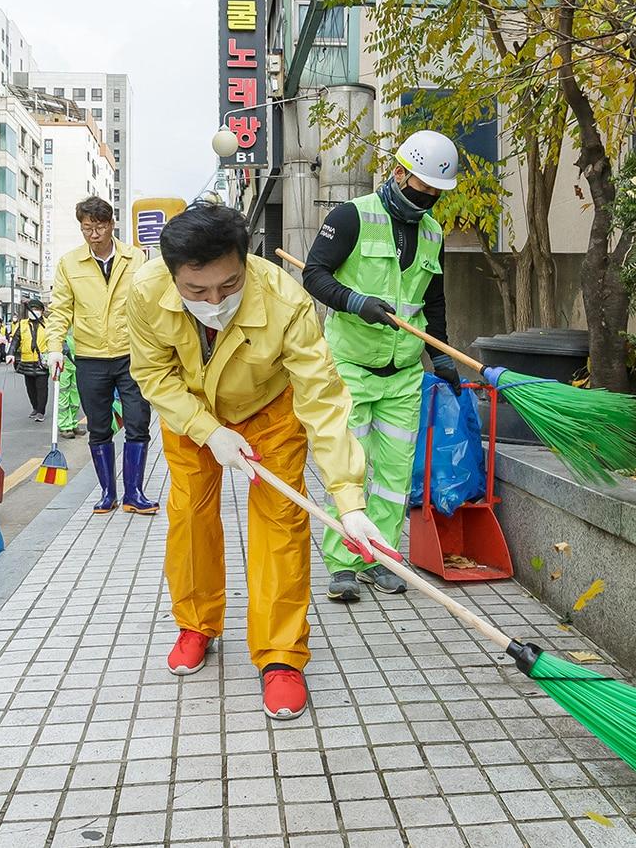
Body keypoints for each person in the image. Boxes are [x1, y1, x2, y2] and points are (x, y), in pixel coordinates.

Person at [127, 203, 390, 721]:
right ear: (172, 273)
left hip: (269, 410)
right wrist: (208, 430)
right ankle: (197, 623)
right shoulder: (144, 292)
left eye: (228, 285)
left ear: (244, 261)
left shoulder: (287, 301)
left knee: (281, 523)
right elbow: (154, 376)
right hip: (192, 411)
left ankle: (281, 656)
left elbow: (324, 400)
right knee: (190, 514)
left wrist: (349, 500)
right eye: (197, 292)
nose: (215, 301)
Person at [303, 130, 463, 602]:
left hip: (405, 374)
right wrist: (354, 301)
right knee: (352, 466)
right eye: (423, 190)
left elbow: (433, 300)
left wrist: (442, 354)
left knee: (395, 474)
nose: (428, 201)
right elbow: (314, 274)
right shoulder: (351, 217)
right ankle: (343, 562)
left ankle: (382, 557)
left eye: (436, 195)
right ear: (399, 174)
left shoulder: (432, 232)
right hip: (351, 366)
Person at [44, 196, 158, 516]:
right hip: (91, 358)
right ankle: (108, 492)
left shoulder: (136, 259)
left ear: (111, 225)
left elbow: (151, 303)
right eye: (86, 228)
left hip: (131, 355)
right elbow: (60, 310)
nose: (93, 234)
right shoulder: (69, 264)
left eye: (99, 227)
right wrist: (54, 349)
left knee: (137, 422)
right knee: (99, 427)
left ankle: (134, 493)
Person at [6, 299, 50, 421]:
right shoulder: (23, 324)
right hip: (26, 360)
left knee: (42, 388)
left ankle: (41, 411)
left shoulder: (48, 324)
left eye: (37, 309)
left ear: (42, 311)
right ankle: (35, 407)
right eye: (32, 309)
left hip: (42, 361)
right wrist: (11, 353)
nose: (34, 312)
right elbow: (15, 340)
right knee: (30, 388)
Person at [56, 334, 86, 439]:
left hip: (76, 359)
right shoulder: (58, 318)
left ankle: (73, 424)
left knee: (75, 395)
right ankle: (64, 426)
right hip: (62, 360)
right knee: (63, 394)